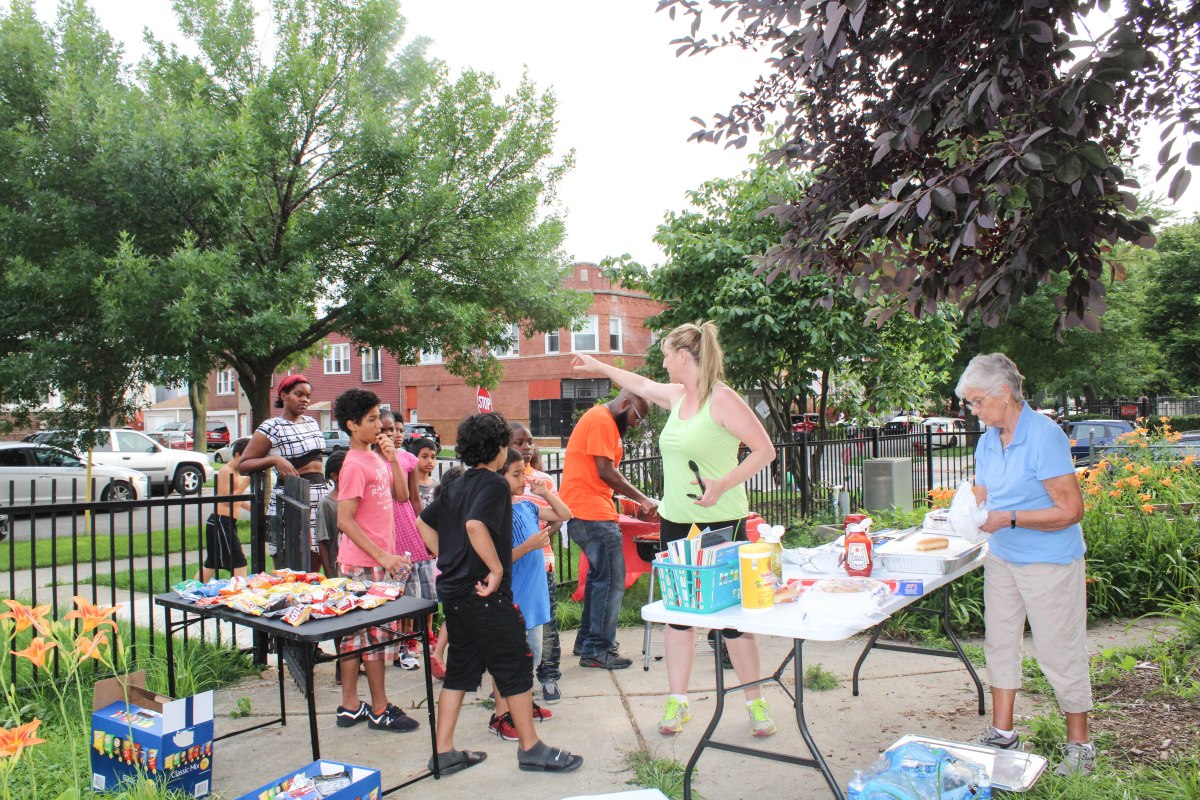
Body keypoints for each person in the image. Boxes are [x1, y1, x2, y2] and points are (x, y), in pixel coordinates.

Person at [572, 321, 778, 738]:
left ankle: (755, 703)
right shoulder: (677, 395)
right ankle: (678, 703)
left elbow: (765, 451)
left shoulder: (722, 399)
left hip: (722, 521)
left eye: (667, 354)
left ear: (683, 356)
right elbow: (638, 383)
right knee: (679, 615)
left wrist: (722, 483)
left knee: (733, 621)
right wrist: (598, 365)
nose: (663, 363)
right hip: (677, 522)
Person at [415, 412, 582, 775]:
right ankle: (531, 747)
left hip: (456, 594)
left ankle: (443, 752)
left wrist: (450, 559)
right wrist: (496, 568)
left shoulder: (458, 483)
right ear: (499, 449)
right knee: (515, 664)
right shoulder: (493, 484)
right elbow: (476, 526)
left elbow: (422, 522)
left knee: (460, 671)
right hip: (484, 595)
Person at [957, 353, 1094, 776]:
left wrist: (1010, 518)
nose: (974, 410)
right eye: (970, 403)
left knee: (1059, 649)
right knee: (1000, 643)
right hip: (1003, 556)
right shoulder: (987, 440)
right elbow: (983, 496)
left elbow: (1070, 510)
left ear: (1003, 393)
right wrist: (963, 513)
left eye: (978, 401)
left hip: (1049, 561)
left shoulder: (1044, 436)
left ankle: (1080, 745)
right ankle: (1002, 733)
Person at [330, 388, 419, 733]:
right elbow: (344, 520)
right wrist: (382, 556)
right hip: (363, 564)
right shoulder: (353, 464)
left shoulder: (375, 458)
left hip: (378, 560)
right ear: (352, 425)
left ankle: (350, 706)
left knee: (356, 636)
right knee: (374, 638)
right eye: (371, 420)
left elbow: (402, 496)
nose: (380, 425)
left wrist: (393, 458)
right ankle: (379, 708)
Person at [558, 390, 658, 670]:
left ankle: (587, 642)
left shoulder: (603, 421)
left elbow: (598, 474)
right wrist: (643, 499)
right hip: (591, 513)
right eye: (637, 417)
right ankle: (598, 649)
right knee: (612, 580)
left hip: (586, 511)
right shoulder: (602, 419)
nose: (636, 424)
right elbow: (605, 470)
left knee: (599, 579)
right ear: (625, 403)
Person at [486, 447, 572, 740]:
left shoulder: (527, 506)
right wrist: (528, 546)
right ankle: (502, 714)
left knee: (530, 657)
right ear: (499, 478)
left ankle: (521, 704)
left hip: (535, 598)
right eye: (516, 475)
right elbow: (495, 562)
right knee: (508, 659)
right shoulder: (495, 515)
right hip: (513, 598)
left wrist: (544, 492)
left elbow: (565, 514)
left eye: (523, 473)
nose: (523, 479)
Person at [239, 374, 329, 574]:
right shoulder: (272, 427)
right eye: (299, 394)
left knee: (316, 562)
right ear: (284, 395)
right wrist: (274, 460)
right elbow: (244, 464)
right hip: (291, 499)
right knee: (289, 564)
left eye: (308, 396)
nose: (304, 399)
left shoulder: (311, 422)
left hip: (318, 497)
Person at [510, 423, 565, 703]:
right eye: (519, 443)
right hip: (514, 566)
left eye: (530, 442)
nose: (527, 447)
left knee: (546, 623)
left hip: (541, 562)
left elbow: (559, 516)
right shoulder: (503, 481)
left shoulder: (542, 481)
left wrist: (542, 537)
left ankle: (549, 677)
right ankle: (514, 680)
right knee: (515, 626)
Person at [379, 411, 433, 671]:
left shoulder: (407, 460)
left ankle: (407, 644)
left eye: (394, 429)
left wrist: (425, 533)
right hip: (382, 528)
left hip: (406, 527)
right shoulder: (370, 460)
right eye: (385, 429)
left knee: (410, 590)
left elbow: (413, 499)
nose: (390, 434)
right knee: (387, 593)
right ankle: (385, 646)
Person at [194, 437, 251, 582]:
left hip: (225, 522)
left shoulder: (235, 473)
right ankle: (241, 592)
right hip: (221, 521)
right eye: (247, 458)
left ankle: (193, 589)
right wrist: (246, 482)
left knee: (212, 562)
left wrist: (252, 508)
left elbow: (237, 499)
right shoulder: (226, 471)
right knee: (239, 561)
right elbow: (226, 500)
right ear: (237, 455)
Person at [410, 437, 440, 507]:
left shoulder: (438, 486)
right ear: (414, 458)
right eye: (424, 457)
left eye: (433, 457)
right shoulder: (409, 486)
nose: (430, 461)